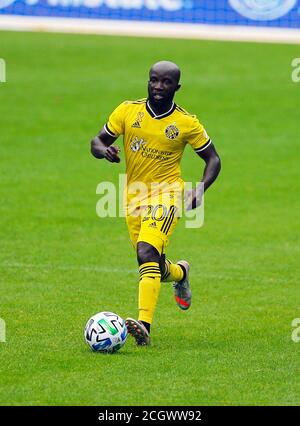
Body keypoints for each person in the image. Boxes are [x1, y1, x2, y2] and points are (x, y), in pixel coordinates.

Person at [91, 61, 221, 346]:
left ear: (177, 87)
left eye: (165, 82)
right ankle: (180, 273)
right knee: (152, 263)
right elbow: (97, 141)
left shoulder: (186, 123)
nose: (158, 87)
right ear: (148, 81)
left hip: (168, 195)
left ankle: (144, 325)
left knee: (146, 251)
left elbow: (213, 159)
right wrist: (104, 151)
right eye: (153, 80)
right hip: (133, 197)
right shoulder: (128, 111)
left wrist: (200, 188)